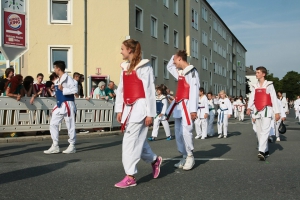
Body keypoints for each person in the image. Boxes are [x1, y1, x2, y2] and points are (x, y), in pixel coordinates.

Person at [114, 39, 162, 188]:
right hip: (128, 108)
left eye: (122, 48)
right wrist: (119, 109)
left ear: (129, 49)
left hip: (140, 107)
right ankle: (154, 160)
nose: (121, 51)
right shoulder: (124, 67)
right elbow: (121, 90)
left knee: (130, 142)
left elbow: (149, 91)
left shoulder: (144, 67)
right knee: (138, 141)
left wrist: (150, 114)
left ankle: (130, 176)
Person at [166, 50, 200, 170]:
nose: (174, 62)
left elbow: (194, 91)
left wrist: (193, 110)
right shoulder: (180, 72)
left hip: (188, 105)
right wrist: (174, 55)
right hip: (179, 105)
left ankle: (190, 156)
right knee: (178, 132)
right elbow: (169, 66)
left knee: (186, 131)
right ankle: (184, 155)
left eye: (175, 59)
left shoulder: (192, 72)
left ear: (180, 59)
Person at [43, 60, 78, 154]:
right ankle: (55, 145)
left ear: (58, 68)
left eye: (54, 68)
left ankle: (72, 145)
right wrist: (53, 91)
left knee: (70, 125)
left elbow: (75, 90)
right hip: (60, 104)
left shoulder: (68, 78)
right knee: (53, 123)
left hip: (68, 104)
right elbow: (59, 93)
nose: (54, 69)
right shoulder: (58, 80)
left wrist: (64, 89)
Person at [246, 66, 280, 161]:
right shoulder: (255, 86)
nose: (256, 74)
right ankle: (266, 150)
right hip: (257, 110)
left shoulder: (269, 85)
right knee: (259, 132)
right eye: (256, 72)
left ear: (263, 74)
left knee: (265, 130)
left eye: (258, 72)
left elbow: (274, 99)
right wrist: (249, 108)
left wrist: (277, 112)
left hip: (267, 109)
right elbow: (252, 98)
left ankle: (261, 151)